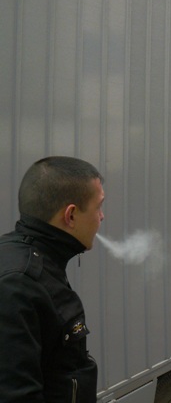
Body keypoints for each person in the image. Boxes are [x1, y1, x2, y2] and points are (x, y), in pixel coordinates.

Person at [0, 156, 104, 402]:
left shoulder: (29, 258)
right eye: (98, 207)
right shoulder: (18, 285)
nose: (102, 216)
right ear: (71, 215)